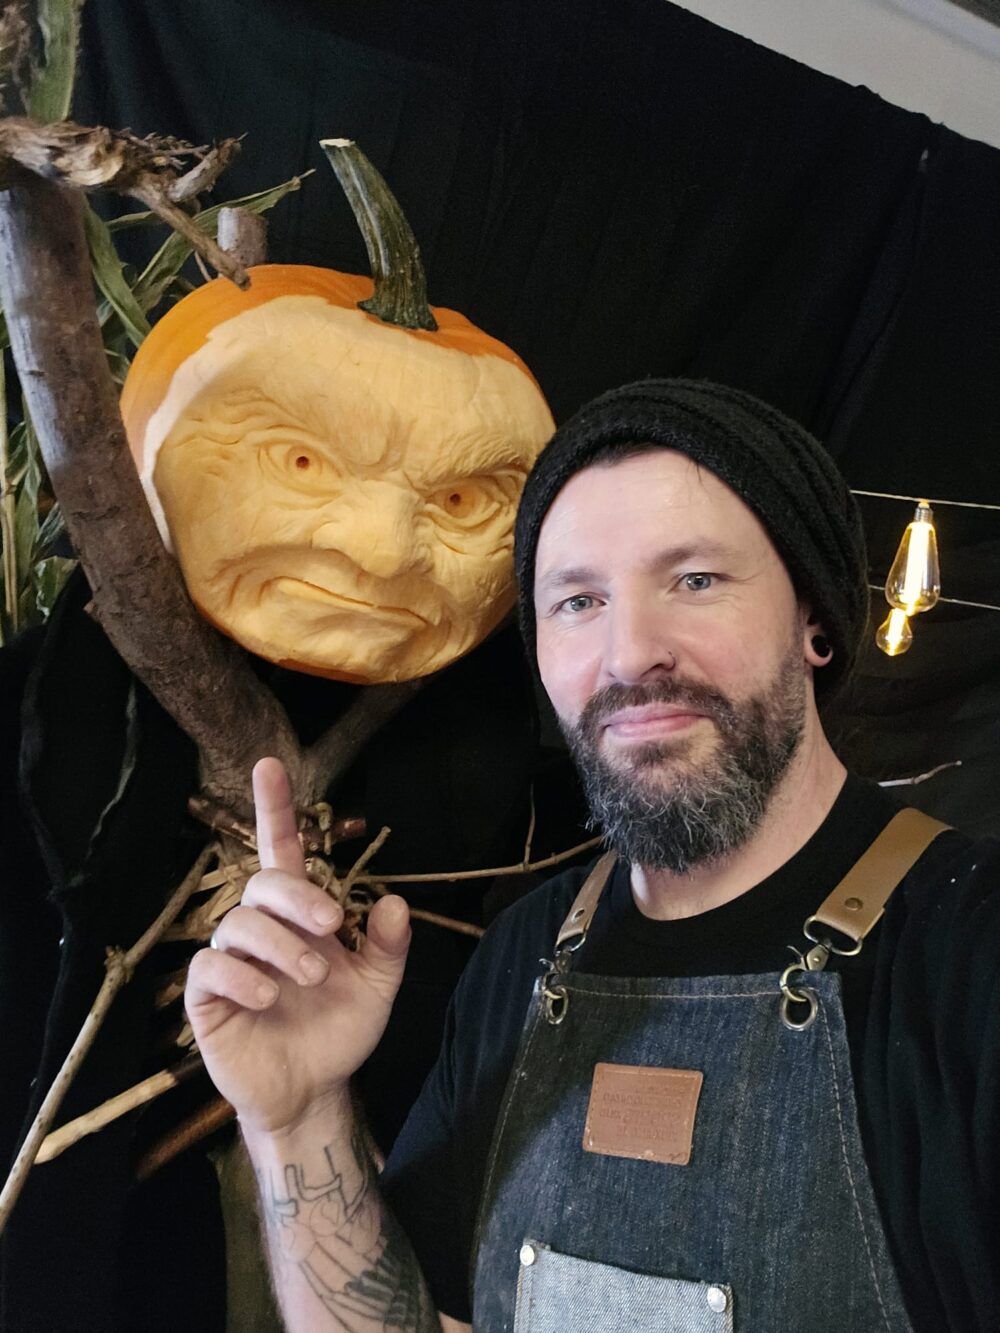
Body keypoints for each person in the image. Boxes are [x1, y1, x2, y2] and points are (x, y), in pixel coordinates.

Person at [186, 379, 1000, 1332]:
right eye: (578, 599)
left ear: (815, 619)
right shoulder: (523, 953)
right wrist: (299, 1121)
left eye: (695, 579)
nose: (630, 653)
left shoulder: (967, 955)